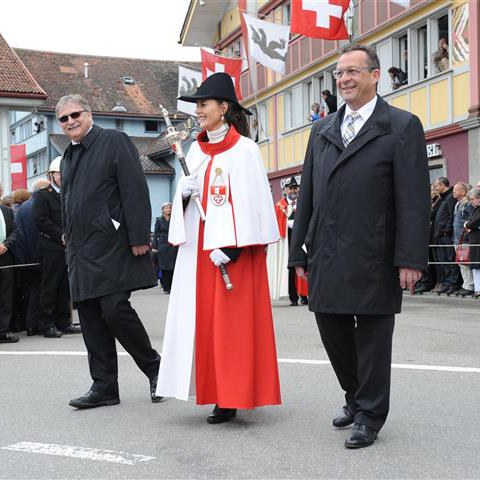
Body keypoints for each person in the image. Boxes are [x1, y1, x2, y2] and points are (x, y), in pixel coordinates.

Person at [289, 44, 430, 449]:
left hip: (376, 253)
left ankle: (370, 414)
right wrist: (299, 251)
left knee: (372, 336)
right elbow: (308, 196)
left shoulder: (401, 126)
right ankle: (355, 397)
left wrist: (409, 258)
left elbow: (414, 198)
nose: (344, 79)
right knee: (330, 326)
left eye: (353, 71)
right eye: (339, 74)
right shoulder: (322, 130)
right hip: (328, 251)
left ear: (375, 76)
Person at [156, 72, 281, 424]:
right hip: (198, 253)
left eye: (204, 104)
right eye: (196, 105)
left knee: (231, 330)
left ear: (223, 108)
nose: (198, 110)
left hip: (230, 256)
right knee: (204, 326)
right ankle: (213, 392)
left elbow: (255, 204)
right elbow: (189, 205)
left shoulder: (245, 151)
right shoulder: (194, 150)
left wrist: (234, 249)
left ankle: (233, 395)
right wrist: (182, 192)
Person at [56, 94, 162, 408]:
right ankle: (104, 386)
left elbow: (134, 188)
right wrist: (67, 233)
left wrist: (140, 234)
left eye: (75, 114)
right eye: (64, 118)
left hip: (111, 244)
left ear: (88, 114)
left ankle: (156, 369)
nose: (70, 121)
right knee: (89, 316)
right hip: (80, 249)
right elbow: (69, 202)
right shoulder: (67, 156)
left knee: (115, 309)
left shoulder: (114, 141)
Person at [32, 157, 81, 338]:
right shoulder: (43, 195)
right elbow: (40, 220)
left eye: (64, 173)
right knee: (50, 286)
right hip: (50, 247)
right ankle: (46, 324)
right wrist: (60, 235)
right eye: (58, 173)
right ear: (51, 175)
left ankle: (64, 321)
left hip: (68, 248)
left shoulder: (70, 194)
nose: (62, 176)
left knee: (64, 287)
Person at [13, 178, 50, 336]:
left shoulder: (22, 208)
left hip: (25, 256)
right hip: (40, 254)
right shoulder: (39, 205)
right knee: (41, 290)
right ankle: (35, 323)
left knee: (32, 290)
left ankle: (30, 323)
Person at [274, 176, 308, 306]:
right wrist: (286, 223)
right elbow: (276, 223)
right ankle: (293, 297)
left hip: (301, 239)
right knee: (291, 268)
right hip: (287, 240)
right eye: (291, 188)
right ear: (286, 190)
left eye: (295, 188)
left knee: (304, 265)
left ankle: (305, 295)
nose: (293, 191)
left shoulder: (303, 203)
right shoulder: (280, 206)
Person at [432, 177, 460, 295]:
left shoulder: (449, 198)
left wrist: (446, 231)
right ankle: (447, 283)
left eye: (437, 186)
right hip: (440, 235)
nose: (435, 188)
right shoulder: (443, 198)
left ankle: (453, 283)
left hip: (446, 235)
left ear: (443, 185)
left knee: (450, 260)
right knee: (443, 260)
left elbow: (451, 215)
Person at [0, 203, 18, 343]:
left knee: (6, 295)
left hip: (5, 256)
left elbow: (14, 230)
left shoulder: (7, 211)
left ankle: (3, 331)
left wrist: (6, 244)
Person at [452, 182, 474, 297]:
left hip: (464, 239)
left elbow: (470, 221)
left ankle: (470, 286)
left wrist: (465, 235)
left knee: (466, 263)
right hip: (457, 239)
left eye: (456, 189)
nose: (453, 191)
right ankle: (466, 284)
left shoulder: (467, 204)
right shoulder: (457, 204)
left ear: (463, 191)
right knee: (461, 263)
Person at [152, 202, 177, 294]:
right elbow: (155, 233)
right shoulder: (159, 220)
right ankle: (166, 287)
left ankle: (172, 286)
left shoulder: (174, 219)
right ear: (163, 210)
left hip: (172, 243)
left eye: (169, 208)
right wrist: (154, 246)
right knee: (164, 266)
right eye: (166, 208)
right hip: (162, 244)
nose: (168, 210)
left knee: (172, 266)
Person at [464, 187, 480, 297]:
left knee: (477, 265)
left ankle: (478, 289)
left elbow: (472, 223)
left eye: (472, 199)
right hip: (474, 240)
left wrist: (467, 225)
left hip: (477, 240)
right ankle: (477, 289)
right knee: (475, 266)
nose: (470, 201)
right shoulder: (475, 209)